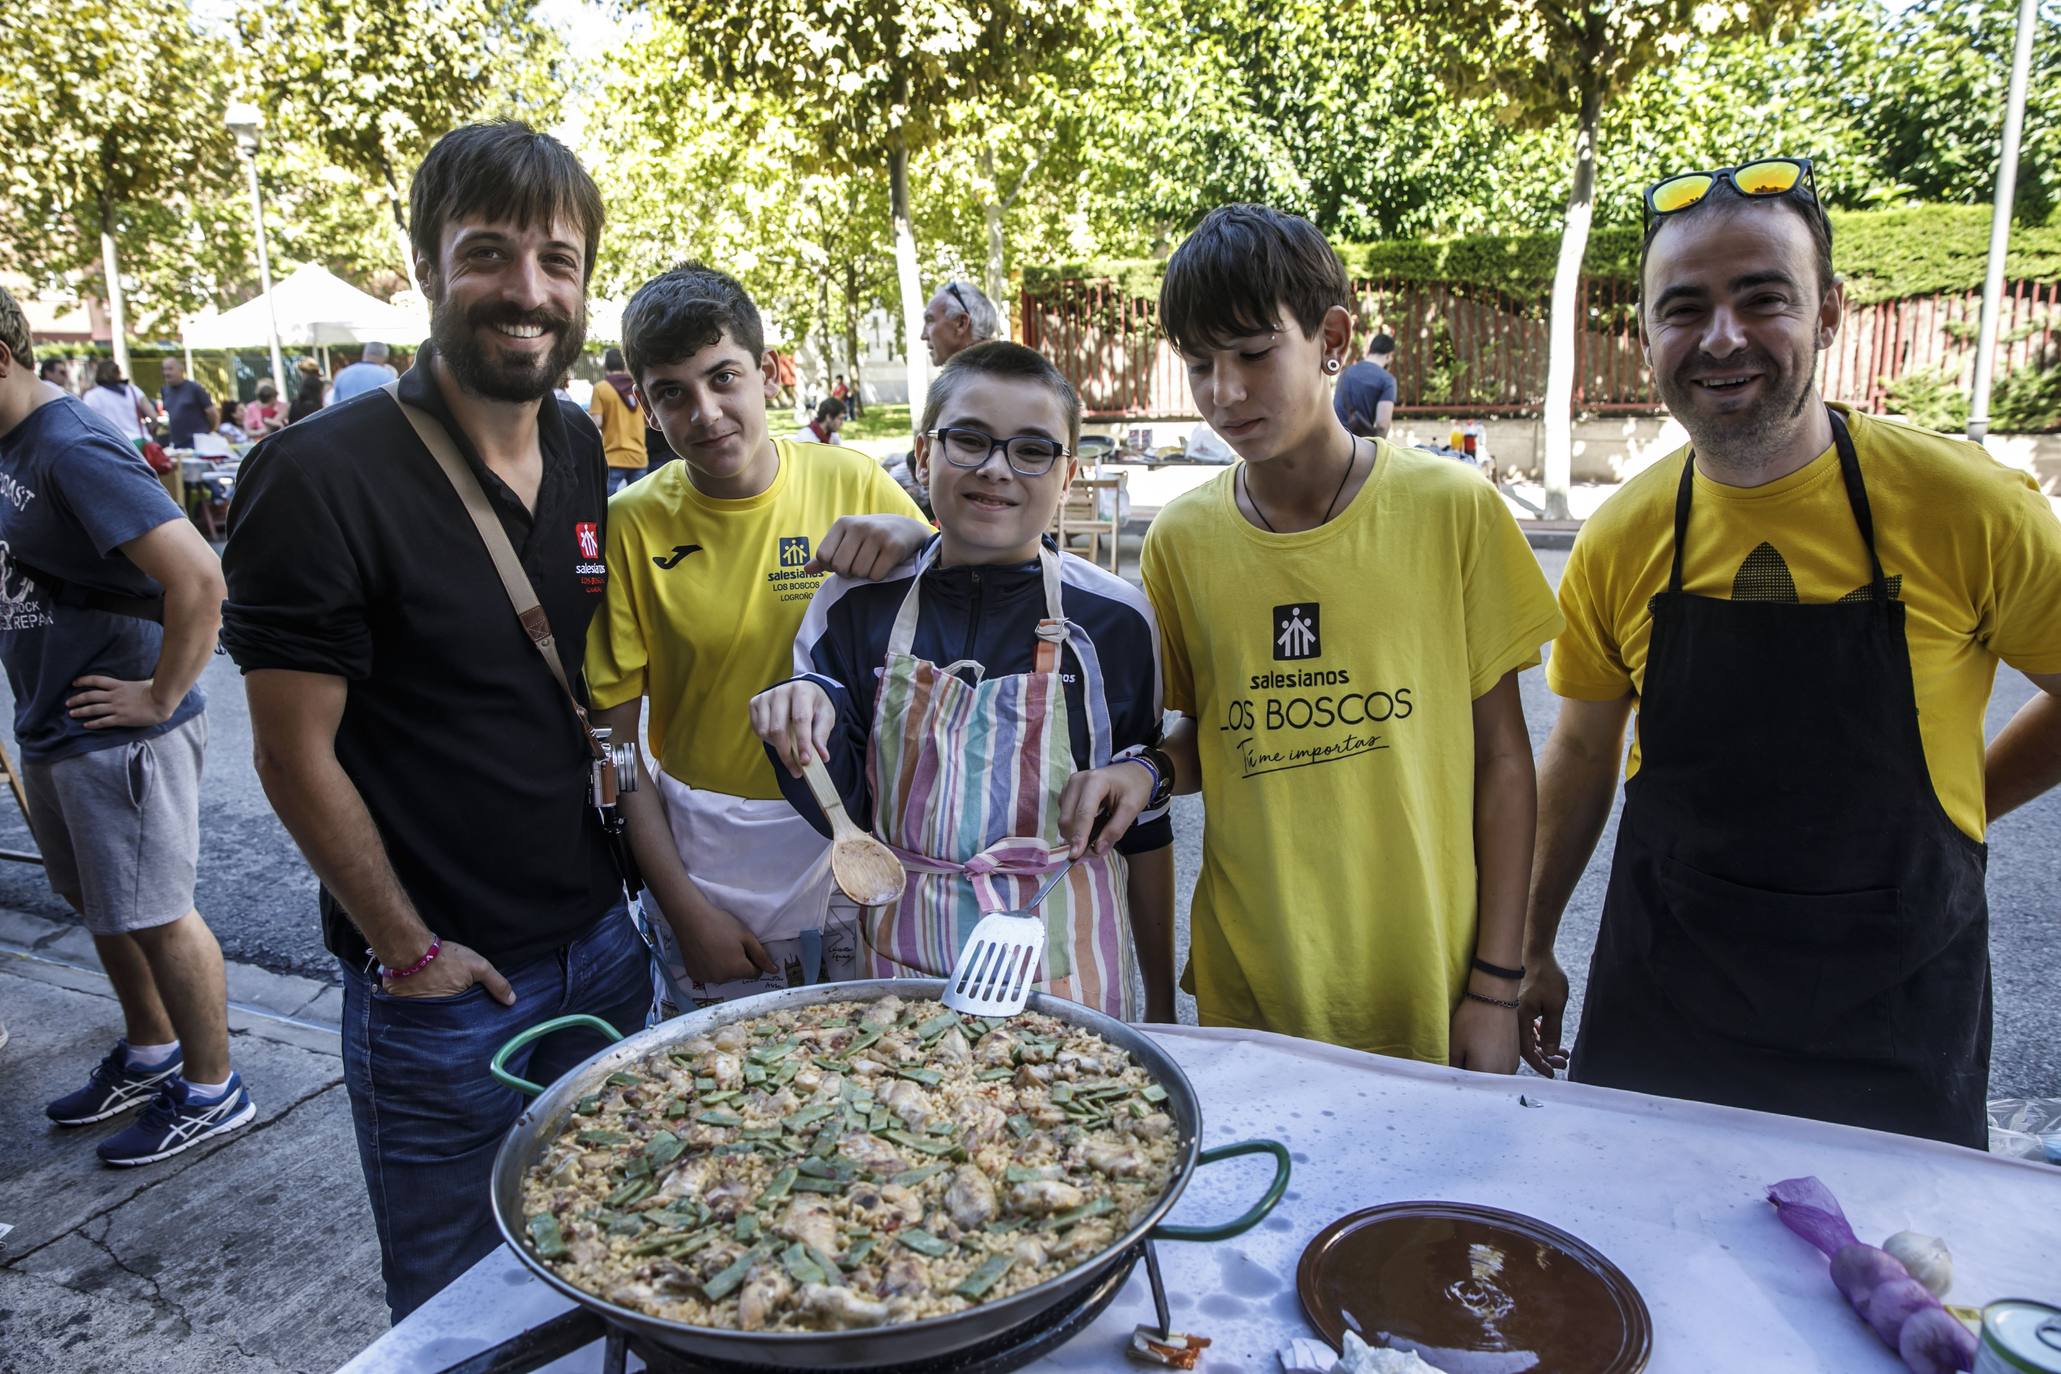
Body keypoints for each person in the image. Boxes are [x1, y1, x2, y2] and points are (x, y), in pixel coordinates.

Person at [1519, 158, 2061, 1147]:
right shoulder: (1624, 534)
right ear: (1645, 338)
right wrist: (1531, 941)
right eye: (1683, 308)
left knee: (1887, 1292)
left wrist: (1964, 806)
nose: (1721, 337)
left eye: (1762, 297)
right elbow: (1582, 751)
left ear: (1831, 312)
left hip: (1895, 1020)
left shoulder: (1971, 508)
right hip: (1665, 1009)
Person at [221, 120, 647, 1320]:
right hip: (444, 993)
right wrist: (408, 955)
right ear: (425, 266)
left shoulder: (575, 441)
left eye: (557, 261)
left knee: (618, 1266)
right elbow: (290, 754)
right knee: (463, 1316)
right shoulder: (316, 475)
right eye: (490, 254)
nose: (528, 292)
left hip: (606, 955)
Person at [1138, 204, 1560, 1067]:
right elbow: (1212, 737)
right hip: (1251, 988)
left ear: (1332, 338)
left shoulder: (1450, 509)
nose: (1224, 391)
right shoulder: (1179, 541)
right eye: (1198, 364)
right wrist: (1140, 770)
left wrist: (1495, 983)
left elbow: (1504, 762)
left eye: (1253, 353)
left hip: (1430, 985)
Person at [752, 341, 1177, 1020]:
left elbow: (1144, 827)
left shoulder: (1116, 621)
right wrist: (799, 717)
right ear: (923, 456)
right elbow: (842, 808)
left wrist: (1161, 1006)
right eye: (968, 441)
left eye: (1031, 450)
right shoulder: (852, 605)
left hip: (1064, 976)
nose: (996, 469)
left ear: (1066, 475)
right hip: (900, 974)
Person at [584, 262, 930, 1009]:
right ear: (642, 404)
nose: (705, 413)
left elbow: (966, 614)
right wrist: (681, 906)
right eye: (673, 392)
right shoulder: (633, 524)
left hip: (851, 842)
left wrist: (915, 537)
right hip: (704, 858)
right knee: (724, 1092)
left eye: (723, 377)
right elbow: (612, 745)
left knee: (866, 1078)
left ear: (768, 373)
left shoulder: (854, 482)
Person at [0, 287, 252, 1166]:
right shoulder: (17, 445)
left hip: (120, 731)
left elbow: (199, 580)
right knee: (102, 904)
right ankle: (152, 1052)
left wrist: (155, 696)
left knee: (156, 911)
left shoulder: (71, 444)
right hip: (54, 723)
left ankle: (215, 1090)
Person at [588, 346, 645, 492]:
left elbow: (597, 422)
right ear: (624, 365)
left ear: (606, 366)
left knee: (607, 507)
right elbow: (647, 421)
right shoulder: (637, 388)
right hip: (639, 457)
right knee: (638, 508)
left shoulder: (601, 388)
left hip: (613, 457)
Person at [920, 280, 1000, 366]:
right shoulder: (1006, 371)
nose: (923, 336)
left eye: (930, 320)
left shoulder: (971, 377)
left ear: (961, 323)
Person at [1334, 331, 1397, 439]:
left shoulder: (1345, 373)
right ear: (1389, 355)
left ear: (1370, 350)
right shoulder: (1387, 380)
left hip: (1334, 441)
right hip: (1358, 447)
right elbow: (1382, 425)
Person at [82, 361, 153, 445]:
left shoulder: (92, 396)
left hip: (114, 445)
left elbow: (86, 423)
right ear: (118, 373)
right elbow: (153, 416)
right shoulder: (133, 390)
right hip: (141, 442)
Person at [158, 359, 218, 449]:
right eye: (164, 369)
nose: (166, 373)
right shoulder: (164, 390)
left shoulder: (194, 388)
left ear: (181, 370)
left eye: (170, 369)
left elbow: (212, 413)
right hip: (177, 444)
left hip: (197, 443)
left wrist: (210, 431)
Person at [329, 340, 399, 404]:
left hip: (346, 417)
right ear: (386, 357)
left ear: (364, 354)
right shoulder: (387, 375)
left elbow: (334, 404)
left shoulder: (342, 374)